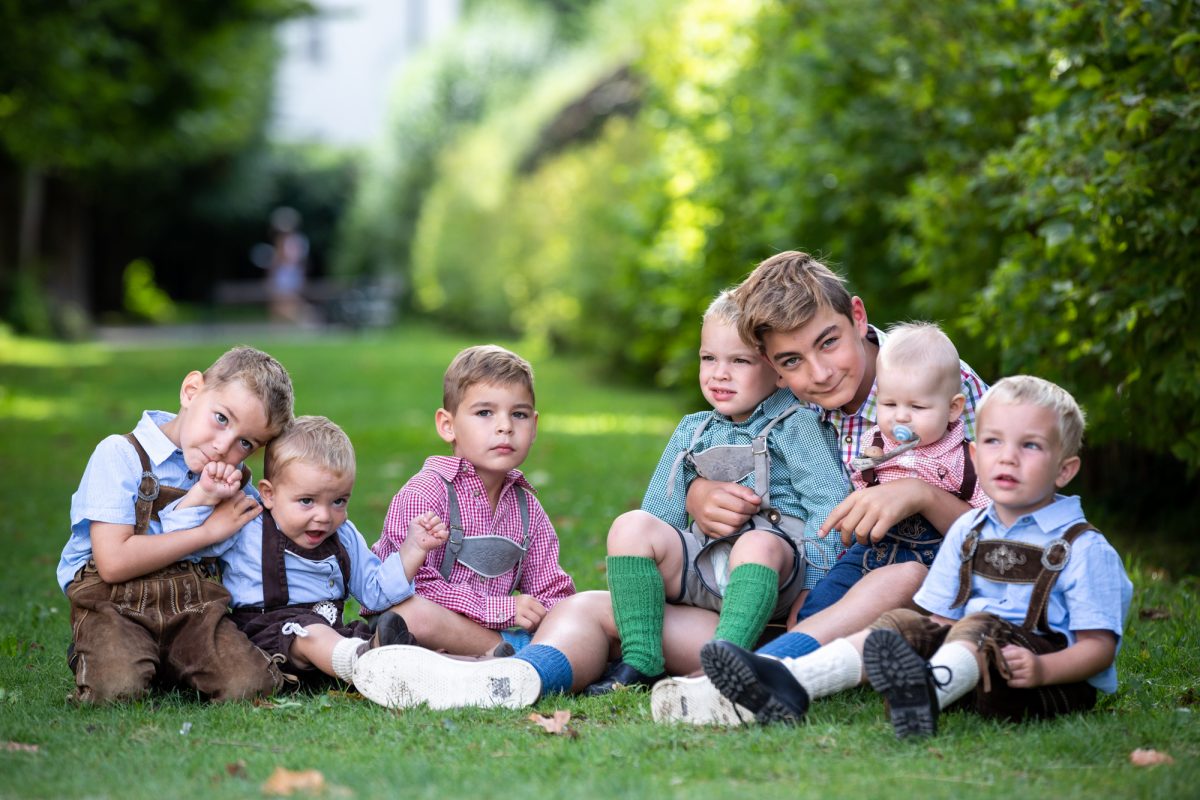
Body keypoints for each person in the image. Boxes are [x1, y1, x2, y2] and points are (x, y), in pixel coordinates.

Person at [653, 251, 989, 724]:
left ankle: (763, 669)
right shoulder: (790, 403)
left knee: (894, 584)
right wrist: (697, 491)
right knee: (605, 609)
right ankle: (723, 662)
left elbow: (1009, 531)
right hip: (823, 571)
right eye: (792, 360)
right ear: (770, 364)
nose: (820, 373)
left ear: (857, 316)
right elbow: (726, 447)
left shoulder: (934, 383)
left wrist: (922, 494)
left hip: (940, 574)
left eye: (828, 343)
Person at [698, 376, 1132, 737]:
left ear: (1065, 469)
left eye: (1031, 446)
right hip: (967, 665)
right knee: (899, 626)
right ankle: (791, 682)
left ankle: (923, 693)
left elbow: (1098, 649)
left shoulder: (1081, 546)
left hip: (1042, 678)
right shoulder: (967, 529)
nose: (1009, 458)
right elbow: (937, 617)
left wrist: (1042, 669)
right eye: (995, 442)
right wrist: (909, 640)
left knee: (980, 624)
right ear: (976, 457)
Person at [587, 290, 847, 693]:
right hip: (706, 562)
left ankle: (725, 664)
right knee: (632, 526)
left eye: (739, 361)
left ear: (777, 371)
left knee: (757, 544)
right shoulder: (693, 430)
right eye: (709, 358)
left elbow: (828, 504)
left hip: (776, 571)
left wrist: (815, 585)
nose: (719, 374)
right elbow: (661, 515)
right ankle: (640, 660)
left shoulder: (796, 424)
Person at [58, 346, 294, 704]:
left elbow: (266, 547)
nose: (222, 446)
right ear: (191, 391)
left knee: (249, 685)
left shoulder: (235, 486)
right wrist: (206, 532)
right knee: (117, 689)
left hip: (192, 609)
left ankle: (168, 660)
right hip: (114, 605)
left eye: (245, 443)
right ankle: (98, 649)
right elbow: (113, 562)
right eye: (221, 418)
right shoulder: (120, 455)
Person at [366, 345, 575, 659]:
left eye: (518, 414)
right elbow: (413, 587)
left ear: (534, 426)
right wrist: (501, 608)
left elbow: (550, 585)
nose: (505, 426)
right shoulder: (426, 493)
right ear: (447, 425)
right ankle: (516, 655)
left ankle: (483, 658)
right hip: (416, 620)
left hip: (486, 633)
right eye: (484, 413)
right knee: (414, 614)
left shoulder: (526, 509)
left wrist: (556, 614)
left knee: (583, 616)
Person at [209, 416, 424, 687]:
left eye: (338, 501)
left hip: (332, 634)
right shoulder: (247, 526)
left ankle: (461, 664)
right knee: (309, 634)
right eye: (307, 501)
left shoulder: (343, 535)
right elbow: (198, 548)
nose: (324, 516)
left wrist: (413, 550)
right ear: (269, 494)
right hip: (265, 635)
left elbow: (374, 591)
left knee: (379, 635)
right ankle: (364, 663)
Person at [795, 321, 989, 621]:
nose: (901, 417)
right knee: (822, 604)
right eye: (888, 403)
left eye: (918, 407)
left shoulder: (967, 459)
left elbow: (987, 528)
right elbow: (860, 484)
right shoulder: (873, 441)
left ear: (953, 409)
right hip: (872, 548)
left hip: (939, 557)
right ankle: (799, 647)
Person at [266, 206, 310, 324]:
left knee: (281, 304)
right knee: (283, 304)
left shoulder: (284, 241)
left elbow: (279, 261)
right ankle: (303, 321)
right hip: (292, 275)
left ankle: (308, 322)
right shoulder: (300, 240)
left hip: (284, 276)